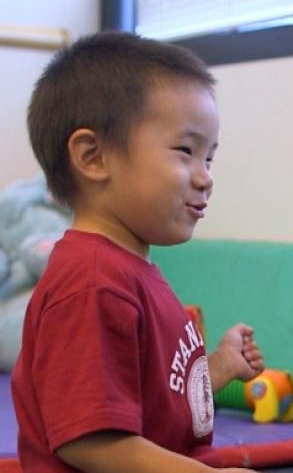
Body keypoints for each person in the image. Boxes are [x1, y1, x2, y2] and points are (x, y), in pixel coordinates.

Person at [12, 31, 266, 472]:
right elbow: (91, 441)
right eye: (186, 151)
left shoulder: (128, 269)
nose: (205, 177)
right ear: (93, 157)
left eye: (209, 159)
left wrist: (219, 367)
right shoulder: (91, 283)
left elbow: (156, 398)